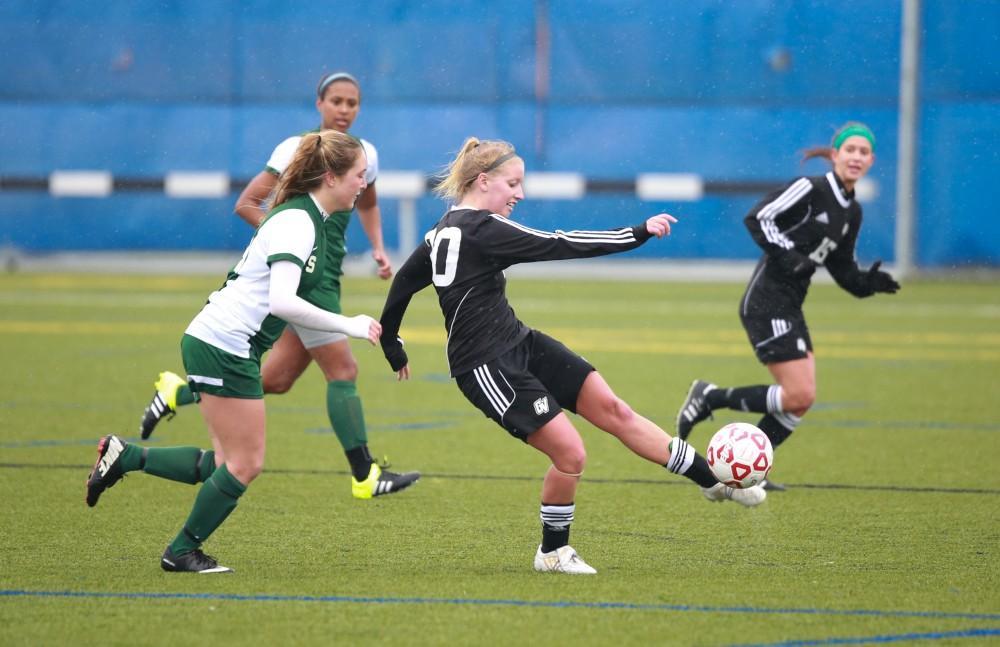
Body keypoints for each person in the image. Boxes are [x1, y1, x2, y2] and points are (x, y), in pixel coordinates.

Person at [378, 137, 766, 576]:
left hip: (519, 342)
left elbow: (405, 280)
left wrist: (391, 338)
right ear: (483, 181)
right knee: (571, 455)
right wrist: (635, 233)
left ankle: (713, 481)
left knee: (614, 409)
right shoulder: (484, 230)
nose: (519, 194)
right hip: (486, 367)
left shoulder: (443, 228)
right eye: (513, 183)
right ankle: (552, 553)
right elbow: (560, 242)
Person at [86, 131, 383, 573]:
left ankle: (126, 456)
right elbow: (282, 302)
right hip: (224, 344)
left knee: (224, 463)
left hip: (220, 342)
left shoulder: (308, 219)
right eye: (359, 175)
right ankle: (181, 551)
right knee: (245, 463)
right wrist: (349, 325)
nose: (364, 185)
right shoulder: (299, 222)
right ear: (331, 177)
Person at [139, 71, 419, 499]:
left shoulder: (365, 155)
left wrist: (380, 248)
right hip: (307, 282)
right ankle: (364, 474)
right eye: (336, 101)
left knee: (278, 378)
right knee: (343, 369)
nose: (344, 109)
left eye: (352, 103)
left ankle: (180, 391)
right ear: (319, 103)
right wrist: (288, 242)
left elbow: (369, 203)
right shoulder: (294, 149)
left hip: (325, 278)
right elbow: (247, 202)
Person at [675, 122, 900, 491]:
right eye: (850, 150)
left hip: (791, 304)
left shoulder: (851, 211)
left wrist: (865, 284)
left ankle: (750, 478)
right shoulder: (811, 189)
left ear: (872, 160)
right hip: (766, 301)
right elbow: (758, 217)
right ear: (835, 154)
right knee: (799, 394)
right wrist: (790, 256)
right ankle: (709, 396)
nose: (856, 157)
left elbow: (841, 267)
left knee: (800, 400)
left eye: (864, 152)